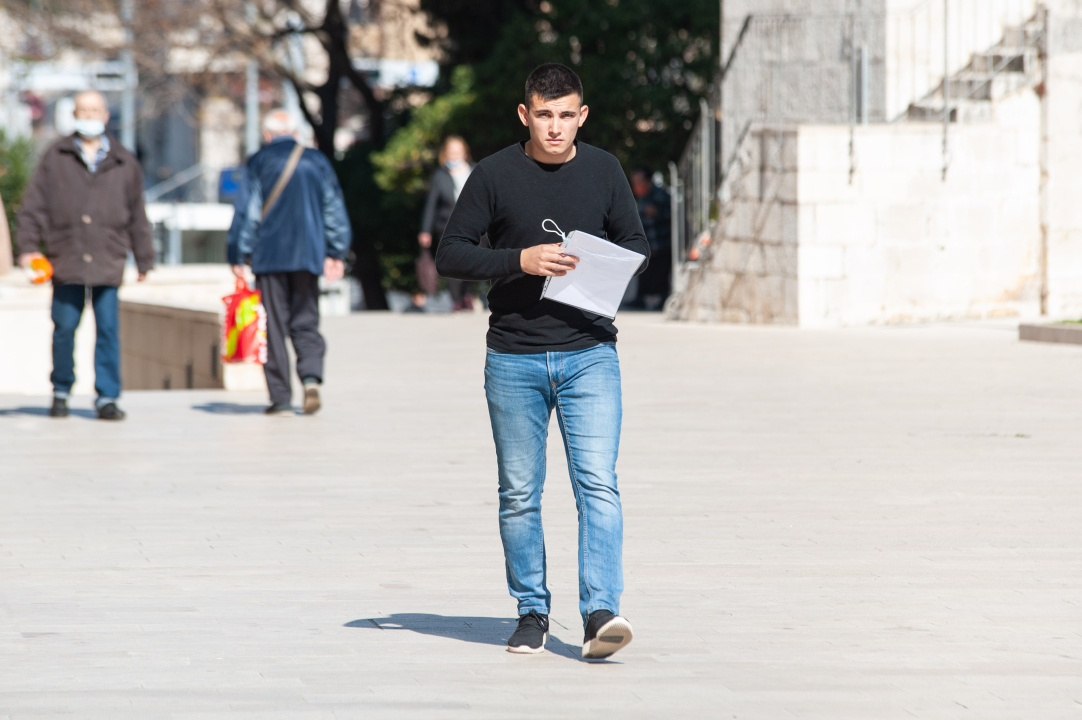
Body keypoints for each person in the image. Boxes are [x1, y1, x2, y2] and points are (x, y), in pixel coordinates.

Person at [436, 63, 649, 659]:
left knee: (598, 486)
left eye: (567, 116)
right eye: (544, 115)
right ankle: (531, 611)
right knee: (519, 493)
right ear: (525, 115)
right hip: (514, 357)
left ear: (582, 116)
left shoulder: (604, 170)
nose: (555, 128)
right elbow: (451, 252)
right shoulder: (494, 174)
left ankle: (600, 612)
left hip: (589, 354)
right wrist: (518, 261)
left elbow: (638, 248)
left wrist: (598, 261)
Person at [15, 90, 154, 420]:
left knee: (107, 330)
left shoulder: (124, 160)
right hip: (67, 257)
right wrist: (29, 249)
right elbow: (33, 208)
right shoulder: (55, 157)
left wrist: (144, 257)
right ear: (74, 114)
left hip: (108, 257)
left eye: (94, 111)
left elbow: (137, 213)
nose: (89, 116)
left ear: (105, 116)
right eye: (83, 110)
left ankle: (107, 396)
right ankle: (61, 390)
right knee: (64, 328)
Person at [227, 109, 351, 416]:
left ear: (267, 135)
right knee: (306, 320)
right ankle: (310, 377)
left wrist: (237, 254)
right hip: (308, 255)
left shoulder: (259, 161)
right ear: (295, 133)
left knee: (274, 326)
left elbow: (248, 212)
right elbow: (333, 207)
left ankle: (281, 397)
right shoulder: (316, 160)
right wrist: (337, 251)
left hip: (268, 257)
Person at [418, 136, 476, 311]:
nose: (455, 155)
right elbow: (431, 205)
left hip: (475, 225)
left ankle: (468, 294)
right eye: (451, 151)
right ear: (445, 153)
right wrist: (425, 230)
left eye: (458, 151)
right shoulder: (439, 175)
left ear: (464, 152)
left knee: (473, 261)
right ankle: (456, 300)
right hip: (447, 226)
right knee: (452, 261)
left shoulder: (475, 169)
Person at [630, 168, 671, 311]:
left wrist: (657, 212)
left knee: (661, 274)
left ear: (648, 182)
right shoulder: (642, 198)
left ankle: (663, 301)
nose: (636, 186)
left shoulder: (660, 195)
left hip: (662, 243)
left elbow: (672, 215)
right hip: (648, 244)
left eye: (639, 182)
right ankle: (640, 299)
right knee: (644, 273)